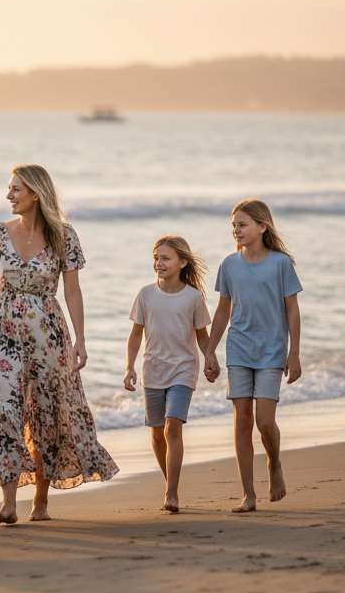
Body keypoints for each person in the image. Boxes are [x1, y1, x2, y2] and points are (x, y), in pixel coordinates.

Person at [0, 164, 117, 523]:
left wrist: (81, 338)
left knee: (45, 413)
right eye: (9, 188)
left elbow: (73, 291)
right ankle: (8, 503)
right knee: (6, 410)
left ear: (35, 193)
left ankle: (41, 500)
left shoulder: (64, 236)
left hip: (48, 332)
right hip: (3, 333)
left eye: (16, 189)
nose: (9, 196)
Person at [203, 198, 302, 513]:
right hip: (239, 349)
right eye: (233, 225)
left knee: (264, 421)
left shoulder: (281, 264)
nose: (236, 230)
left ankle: (274, 462)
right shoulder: (229, 265)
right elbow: (222, 311)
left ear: (263, 226)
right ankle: (248, 494)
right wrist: (209, 351)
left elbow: (292, 311)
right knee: (242, 420)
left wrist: (294, 353)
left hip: (272, 350)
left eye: (242, 225)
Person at [123, 235, 213, 513]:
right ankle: (168, 482)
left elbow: (202, 335)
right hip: (153, 371)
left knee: (172, 426)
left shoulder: (193, 297)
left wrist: (210, 358)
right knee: (157, 434)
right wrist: (129, 367)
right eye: (156, 258)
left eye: (165, 258)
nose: (158, 263)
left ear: (182, 262)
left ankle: (171, 493)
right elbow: (135, 335)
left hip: (183, 370)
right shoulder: (146, 294)